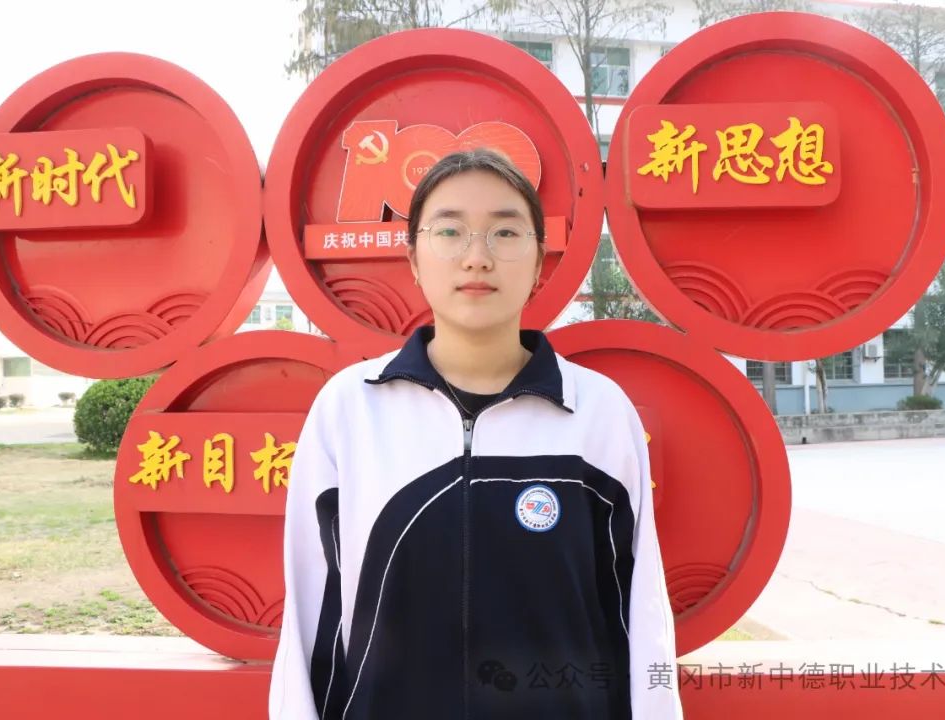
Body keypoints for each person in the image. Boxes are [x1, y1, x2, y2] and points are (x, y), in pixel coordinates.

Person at [269, 149, 683, 720]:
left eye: (505, 232)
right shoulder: (350, 408)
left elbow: (642, 610)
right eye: (449, 231)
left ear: (539, 262)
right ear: (413, 259)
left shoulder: (599, 412)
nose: (477, 257)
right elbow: (309, 609)